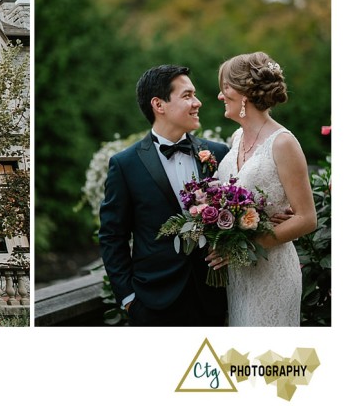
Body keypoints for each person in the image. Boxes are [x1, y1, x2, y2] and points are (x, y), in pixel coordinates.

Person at [99, 65, 231, 326]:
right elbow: (112, 235)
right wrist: (128, 297)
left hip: (213, 298)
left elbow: (236, 213)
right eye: (187, 96)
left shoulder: (218, 153)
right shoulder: (125, 164)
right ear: (158, 104)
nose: (197, 102)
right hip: (153, 303)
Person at [213, 52, 316, 326]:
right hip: (240, 275)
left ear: (244, 94)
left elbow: (307, 218)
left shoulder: (283, 143)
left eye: (225, 89)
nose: (220, 96)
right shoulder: (237, 137)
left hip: (272, 271)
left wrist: (246, 245)